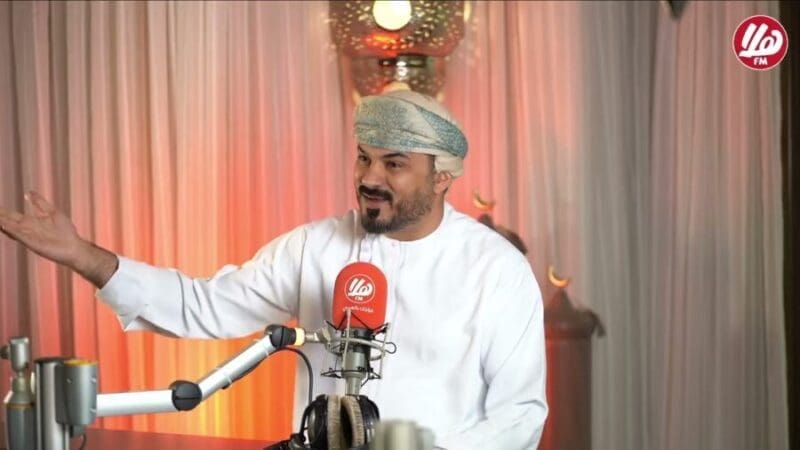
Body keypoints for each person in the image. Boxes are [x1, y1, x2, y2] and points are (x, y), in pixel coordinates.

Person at [0, 89, 547, 449]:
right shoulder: (314, 247)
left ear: (442, 176)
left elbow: (519, 415)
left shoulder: (496, 270)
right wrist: (83, 255)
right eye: (363, 157)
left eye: (394, 164)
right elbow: (203, 306)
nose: (369, 177)